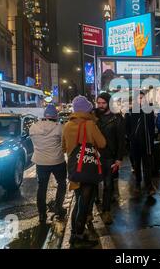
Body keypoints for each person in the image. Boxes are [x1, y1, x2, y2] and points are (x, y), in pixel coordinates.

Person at [62, 96, 106, 248]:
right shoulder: (90, 124)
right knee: (85, 203)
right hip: (88, 167)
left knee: (78, 199)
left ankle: (75, 232)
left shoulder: (67, 125)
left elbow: (63, 147)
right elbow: (102, 143)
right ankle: (79, 236)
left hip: (74, 168)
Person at [30, 104, 67, 223]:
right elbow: (63, 143)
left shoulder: (33, 127)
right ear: (55, 116)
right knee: (61, 183)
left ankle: (41, 214)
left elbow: (33, 141)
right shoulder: (59, 127)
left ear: (44, 116)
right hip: (57, 161)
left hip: (40, 162)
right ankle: (58, 207)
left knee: (42, 187)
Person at [94, 92, 126, 224]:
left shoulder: (117, 119)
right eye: (99, 103)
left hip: (109, 158)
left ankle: (106, 211)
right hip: (94, 156)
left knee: (108, 185)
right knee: (93, 184)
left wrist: (119, 158)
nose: (100, 106)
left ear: (108, 103)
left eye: (103, 103)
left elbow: (121, 141)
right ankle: (94, 207)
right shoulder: (93, 117)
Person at [126, 92, 156, 196]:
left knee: (147, 165)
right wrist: (131, 137)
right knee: (137, 165)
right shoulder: (130, 112)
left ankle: (149, 185)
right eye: (139, 98)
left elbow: (152, 127)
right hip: (135, 144)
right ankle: (138, 183)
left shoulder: (149, 111)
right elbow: (127, 128)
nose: (141, 100)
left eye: (143, 98)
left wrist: (151, 139)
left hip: (146, 143)